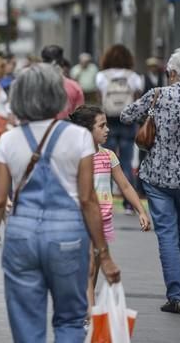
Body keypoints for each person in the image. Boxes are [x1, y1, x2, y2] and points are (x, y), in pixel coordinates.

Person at [0, 63, 121, 342]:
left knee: (27, 322)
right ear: (57, 95)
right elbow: (88, 199)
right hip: (68, 234)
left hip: (21, 236)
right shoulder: (79, 136)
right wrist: (103, 255)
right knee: (70, 319)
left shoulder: (7, 140)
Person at [120, 46, 180, 314]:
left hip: (158, 176)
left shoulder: (158, 95)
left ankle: (176, 295)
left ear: (172, 73)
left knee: (167, 233)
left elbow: (126, 116)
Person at [69, 104, 150, 314]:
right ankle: (89, 312)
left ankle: (86, 304)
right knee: (89, 268)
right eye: (102, 125)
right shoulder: (74, 157)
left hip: (103, 222)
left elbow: (124, 185)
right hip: (81, 220)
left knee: (94, 269)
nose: (107, 130)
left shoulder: (108, 156)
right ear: (87, 130)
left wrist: (141, 211)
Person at [96, 44, 144, 214]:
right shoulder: (133, 77)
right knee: (125, 162)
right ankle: (129, 204)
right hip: (128, 123)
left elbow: (100, 99)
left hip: (108, 123)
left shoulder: (102, 76)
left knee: (106, 161)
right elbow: (138, 101)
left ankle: (105, 199)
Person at [40, 44, 84, 119]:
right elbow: (79, 116)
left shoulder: (33, 85)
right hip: (66, 127)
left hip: (39, 128)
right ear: (62, 62)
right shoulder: (74, 86)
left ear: (43, 61)